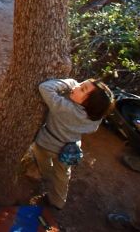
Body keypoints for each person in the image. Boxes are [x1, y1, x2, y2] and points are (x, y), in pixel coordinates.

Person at [31, 78, 115, 210]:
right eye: (81, 84)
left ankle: (46, 177)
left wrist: (70, 82)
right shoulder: (94, 119)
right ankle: (58, 201)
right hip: (69, 151)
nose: (77, 86)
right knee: (63, 174)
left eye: (82, 89)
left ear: (89, 103)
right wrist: (78, 90)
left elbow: (44, 87)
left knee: (42, 159)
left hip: (47, 144)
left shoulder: (65, 108)